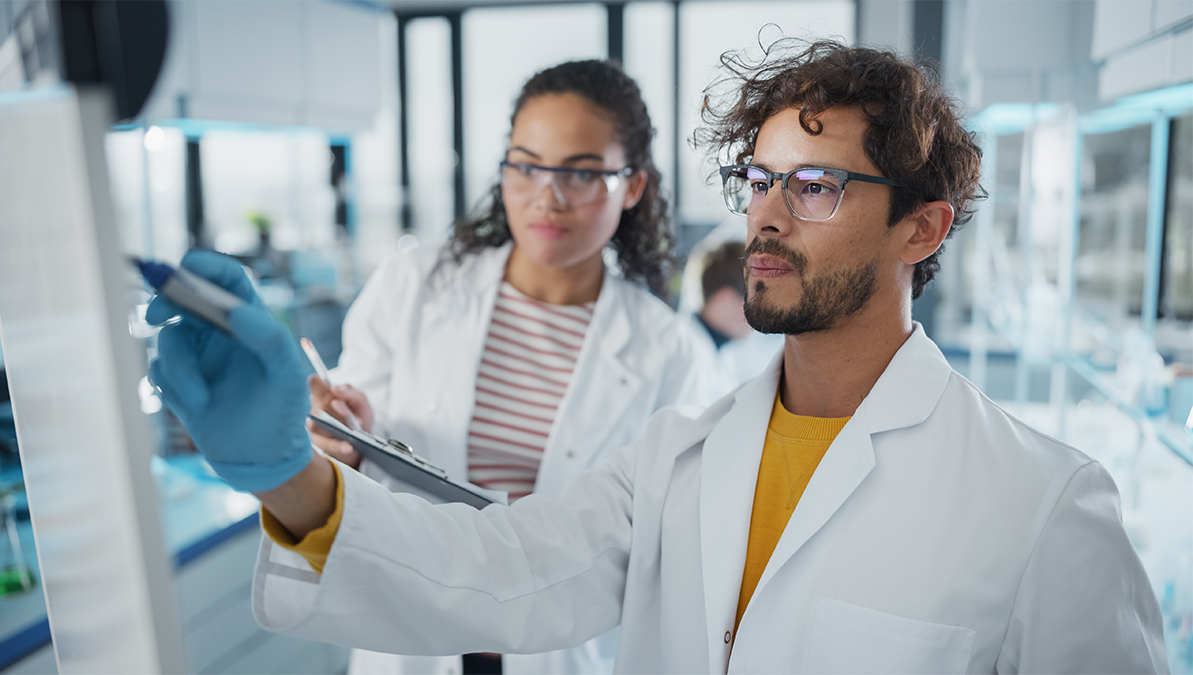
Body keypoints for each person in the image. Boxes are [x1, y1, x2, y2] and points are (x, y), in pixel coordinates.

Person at [147, 39, 1167, 673]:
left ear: (922, 228)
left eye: (813, 186)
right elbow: (498, 567)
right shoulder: (682, 456)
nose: (764, 217)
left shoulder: (1042, 506)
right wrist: (288, 470)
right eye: (757, 179)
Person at [304, 59, 711, 675]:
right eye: (526, 165)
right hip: (416, 633)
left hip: (560, 649)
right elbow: (354, 455)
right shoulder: (416, 286)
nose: (546, 197)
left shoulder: (668, 351)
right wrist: (345, 439)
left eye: (580, 173)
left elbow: (660, 539)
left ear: (632, 187)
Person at [685, 240, 784, 397]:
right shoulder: (686, 357)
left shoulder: (721, 353)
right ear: (725, 300)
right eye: (757, 302)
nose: (762, 314)